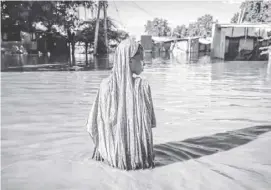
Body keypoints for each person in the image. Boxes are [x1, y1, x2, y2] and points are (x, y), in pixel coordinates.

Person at [86, 38, 156, 170]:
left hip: (110, 159)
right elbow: (150, 123)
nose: (144, 63)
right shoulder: (142, 86)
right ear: (129, 61)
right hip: (138, 162)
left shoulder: (105, 86)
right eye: (141, 58)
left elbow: (93, 125)